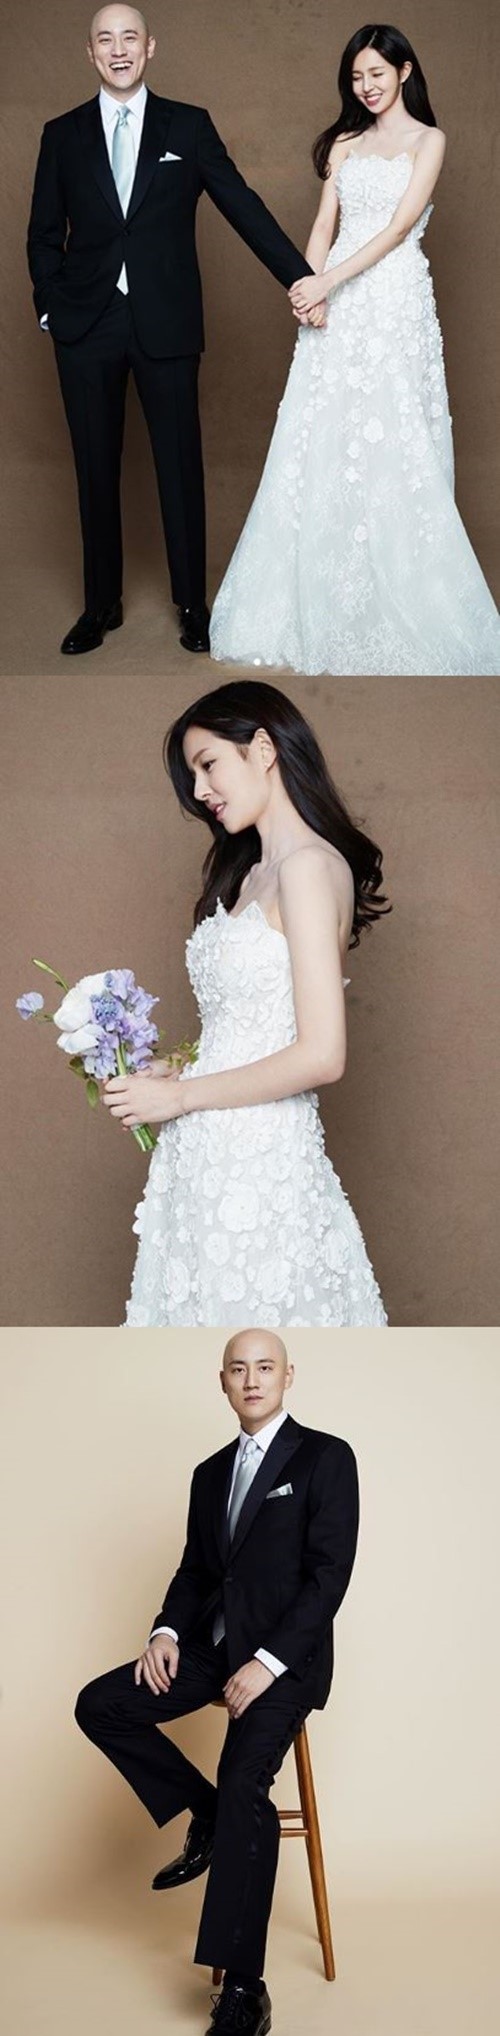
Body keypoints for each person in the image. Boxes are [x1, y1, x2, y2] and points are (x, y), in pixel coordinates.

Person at [75, 1329, 359, 2036]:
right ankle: (203, 1814)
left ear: (288, 1376)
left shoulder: (326, 1457)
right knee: (101, 1704)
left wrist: (267, 1663)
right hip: (212, 1650)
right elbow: (197, 1570)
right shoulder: (209, 1473)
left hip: (283, 1664)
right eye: (239, 1369)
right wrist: (166, 1632)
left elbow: (328, 1579)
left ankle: (245, 1991)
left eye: (265, 1367)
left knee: (243, 1787)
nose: (252, 1379)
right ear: (223, 1381)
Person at [210, 23, 500, 677]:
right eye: (356, 77)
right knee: (325, 433)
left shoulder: (429, 140)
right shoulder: (344, 142)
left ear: (404, 71)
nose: (366, 86)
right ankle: (326, 591)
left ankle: (399, 593)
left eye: (376, 73)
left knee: (395, 435)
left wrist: (329, 282)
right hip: (335, 297)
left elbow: (398, 228)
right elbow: (323, 224)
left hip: (392, 300)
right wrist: (304, 289)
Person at [26, 6, 315, 658]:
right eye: (105, 39)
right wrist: (51, 307)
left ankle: (192, 604)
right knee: (94, 467)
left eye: (130, 37)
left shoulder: (189, 125)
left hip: (167, 321)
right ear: (90, 52)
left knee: (180, 465)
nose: (118, 49)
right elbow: (43, 233)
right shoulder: (61, 134)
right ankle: (100, 604)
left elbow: (243, 205)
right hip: (86, 325)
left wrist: (303, 280)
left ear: (150, 47)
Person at [102, 679, 389, 1326]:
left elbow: (322, 1054)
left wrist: (180, 1098)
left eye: (208, 765)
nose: (200, 790)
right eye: (192, 775)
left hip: (259, 1158)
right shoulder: (253, 873)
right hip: (209, 1149)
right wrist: (177, 1070)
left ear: (263, 748)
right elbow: (249, 1024)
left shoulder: (308, 867)